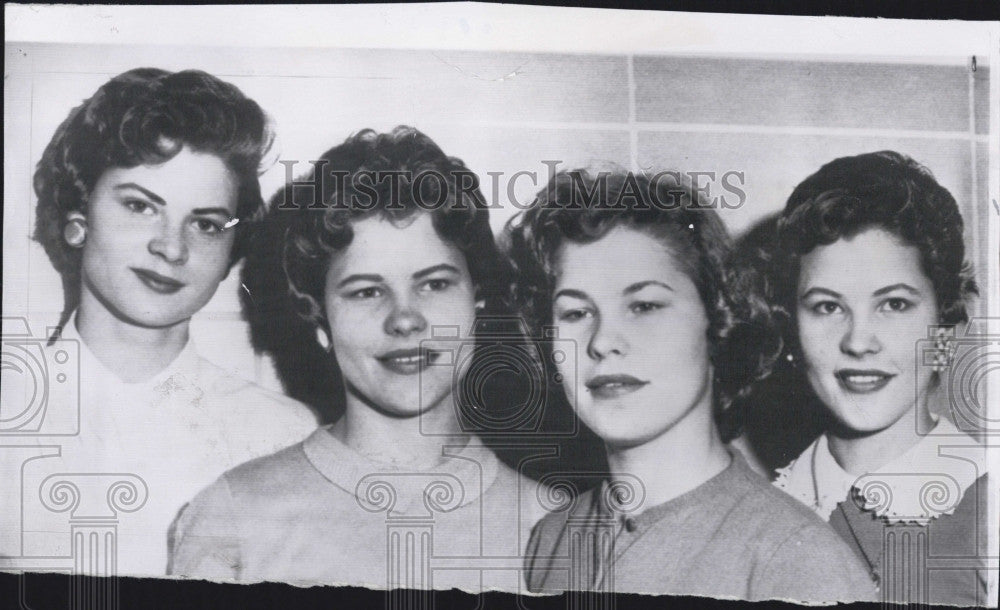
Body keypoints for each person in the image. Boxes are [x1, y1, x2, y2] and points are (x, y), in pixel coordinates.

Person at [168, 126, 547, 591]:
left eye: (434, 284)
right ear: (320, 318)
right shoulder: (236, 519)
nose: (404, 320)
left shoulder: (553, 527)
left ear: (479, 302)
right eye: (367, 291)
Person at [0, 68, 317, 577]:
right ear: (78, 217)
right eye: (140, 206)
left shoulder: (283, 437)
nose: (172, 247)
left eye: (206, 224)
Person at [507, 168, 876, 601]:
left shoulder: (797, 564)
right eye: (575, 313)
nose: (604, 341)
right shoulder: (552, 540)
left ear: (718, 319)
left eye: (644, 306)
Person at [768, 151, 989, 605]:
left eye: (894, 304)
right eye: (828, 306)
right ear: (791, 331)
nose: (858, 342)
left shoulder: (989, 513)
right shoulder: (759, 514)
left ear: (946, 331)